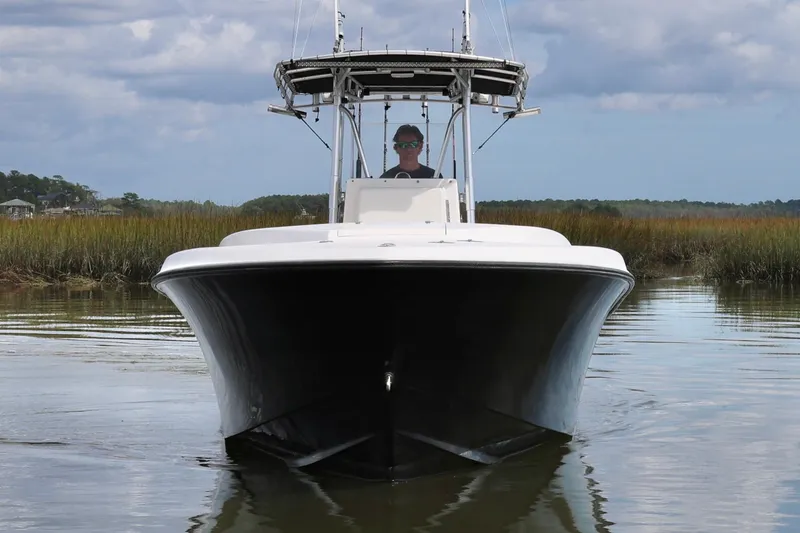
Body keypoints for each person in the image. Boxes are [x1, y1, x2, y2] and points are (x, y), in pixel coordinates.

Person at [378, 124, 443, 179]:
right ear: (396, 148)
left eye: (413, 144)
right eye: (403, 145)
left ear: (420, 146)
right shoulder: (386, 178)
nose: (409, 149)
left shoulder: (434, 177)